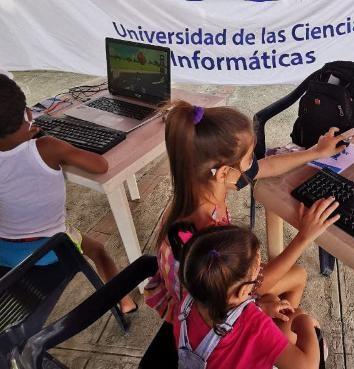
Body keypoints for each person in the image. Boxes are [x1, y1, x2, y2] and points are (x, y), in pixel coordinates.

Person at [140, 100, 341, 366]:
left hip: (209, 294)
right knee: (296, 280)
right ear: (225, 172)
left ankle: (277, 326)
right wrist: (304, 236)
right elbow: (252, 285)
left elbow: (266, 167)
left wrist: (316, 151)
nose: (253, 163)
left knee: (296, 276)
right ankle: (278, 340)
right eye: (249, 158)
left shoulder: (201, 187)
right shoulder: (204, 234)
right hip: (212, 308)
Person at [0, 71, 136, 313]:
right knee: (98, 249)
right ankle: (124, 301)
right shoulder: (48, 147)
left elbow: (12, 160)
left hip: (5, 250)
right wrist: (44, 139)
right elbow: (100, 166)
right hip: (53, 247)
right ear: (28, 113)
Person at [176, 225, 322, 369]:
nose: (260, 272)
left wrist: (261, 308)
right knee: (296, 315)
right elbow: (308, 365)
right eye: (257, 276)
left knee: (271, 300)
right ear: (242, 291)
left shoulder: (189, 300)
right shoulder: (253, 323)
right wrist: (305, 322)